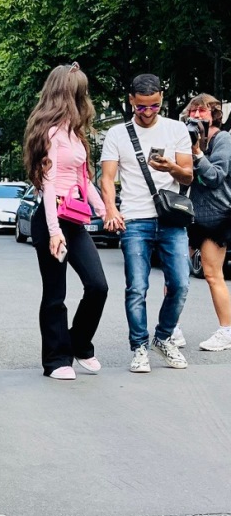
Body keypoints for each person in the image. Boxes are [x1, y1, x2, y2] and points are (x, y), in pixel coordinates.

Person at [100, 73, 192, 373]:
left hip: (170, 218)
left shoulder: (176, 129)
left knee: (180, 284)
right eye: (141, 107)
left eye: (154, 106)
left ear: (161, 98)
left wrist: (172, 167)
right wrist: (111, 210)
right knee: (137, 288)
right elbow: (107, 178)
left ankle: (163, 337)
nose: (148, 112)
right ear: (131, 101)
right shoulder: (117, 134)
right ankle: (139, 347)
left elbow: (188, 176)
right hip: (135, 219)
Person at [23, 64, 108, 379]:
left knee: (98, 286)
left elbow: (83, 181)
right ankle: (56, 360)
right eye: (79, 93)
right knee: (55, 292)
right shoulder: (51, 134)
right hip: (51, 221)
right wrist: (54, 232)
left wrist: (106, 212)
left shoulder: (76, 135)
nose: (83, 99)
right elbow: (48, 185)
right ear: (65, 95)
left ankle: (79, 343)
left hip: (73, 221)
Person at [184, 94, 231, 351]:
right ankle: (170, 329)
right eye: (192, 111)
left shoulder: (222, 139)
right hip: (189, 213)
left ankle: (226, 331)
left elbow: (215, 177)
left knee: (213, 275)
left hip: (216, 216)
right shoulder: (186, 137)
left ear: (214, 114)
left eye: (202, 111)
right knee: (176, 273)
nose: (196, 115)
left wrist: (197, 154)